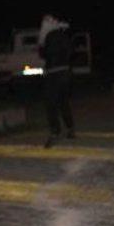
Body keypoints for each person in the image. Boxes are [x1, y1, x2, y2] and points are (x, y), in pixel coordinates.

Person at [38, 14, 74, 148]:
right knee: (63, 101)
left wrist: (42, 43)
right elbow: (70, 52)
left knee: (50, 103)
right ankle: (70, 128)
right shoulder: (63, 35)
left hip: (53, 73)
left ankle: (55, 131)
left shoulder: (47, 36)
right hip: (65, 72)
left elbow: (42, 54)